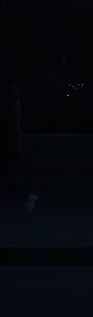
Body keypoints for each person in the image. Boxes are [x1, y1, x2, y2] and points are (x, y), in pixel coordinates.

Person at [0, 73, 37, 215]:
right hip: (10, 145)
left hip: (4, 145)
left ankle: (25, 197)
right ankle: (25, 198)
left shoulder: (4, 101)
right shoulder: (13, 100)